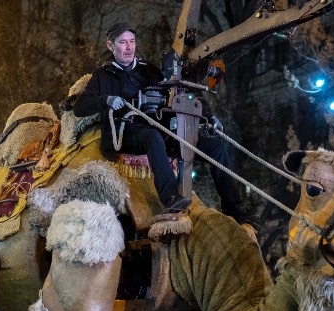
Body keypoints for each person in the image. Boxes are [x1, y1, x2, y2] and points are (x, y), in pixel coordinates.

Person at [73, 21, 248, 220]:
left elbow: (176, 94)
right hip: (125, 133)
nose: (129, 47)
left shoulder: (148, 70)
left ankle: (234, 209)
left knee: (216, 147)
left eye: (132, 41)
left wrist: (207, 117)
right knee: (152, 136)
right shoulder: (102, 76)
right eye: (123, 42)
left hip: (159, 130)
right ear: (110, 46)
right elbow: (80, 107)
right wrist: (107, 100)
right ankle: (170, 197)